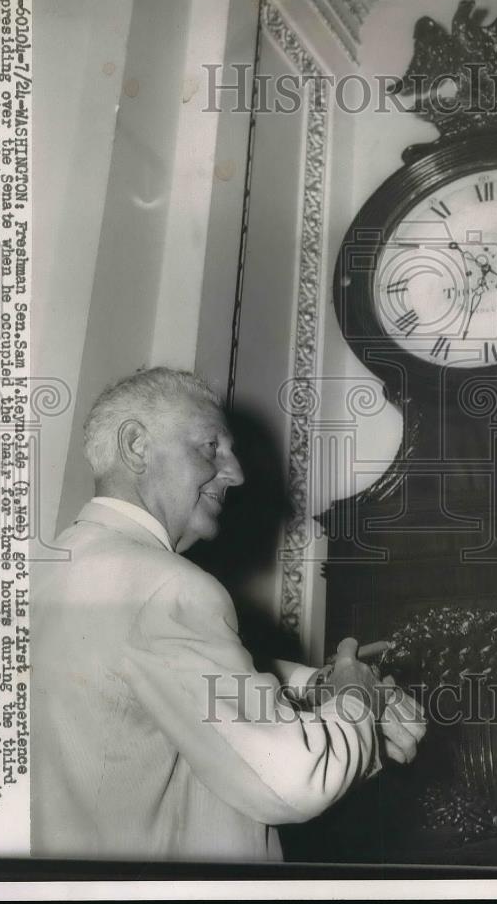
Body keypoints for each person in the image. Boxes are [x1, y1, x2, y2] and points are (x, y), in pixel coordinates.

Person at [31, 367, 426, 862]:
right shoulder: (170, 585)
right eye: (211, 447)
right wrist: (356, 698)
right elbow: (291, 778)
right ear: (136, 445)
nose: (236, 473)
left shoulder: (45, 569)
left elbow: (151, 687)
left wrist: (314, 687)